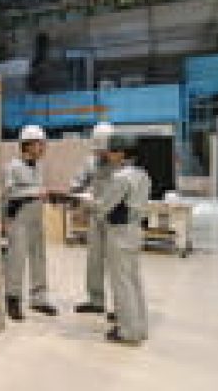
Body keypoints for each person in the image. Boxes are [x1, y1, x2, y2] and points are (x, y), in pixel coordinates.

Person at [82, 134, 151, 345]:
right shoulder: (142, 175)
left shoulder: (121, 178)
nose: (108, 155)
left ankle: (127, 331)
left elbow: (104, 206)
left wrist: (84, 201)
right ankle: (139, 326)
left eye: (111, 151)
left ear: (121, 153)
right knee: (133, 280)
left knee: (121, 283)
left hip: (119, 232)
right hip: (134, 231)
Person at [4, 125, 59, 321]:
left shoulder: (38, 166)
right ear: (27, 145)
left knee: (39, 258)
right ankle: (12, 299)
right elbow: (8, 193)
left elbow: (37, 189)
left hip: (36, 218)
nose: (43, 148)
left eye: (43, 144)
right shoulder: (13, 167)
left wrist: (49, 196)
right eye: (40, 144)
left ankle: (39, 298)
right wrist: (35, 192)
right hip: (19, 220)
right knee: (16, 261)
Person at [73, 122, 116, 317]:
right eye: (98, 151)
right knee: (94, 261)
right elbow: (77, 183)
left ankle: (119, 305)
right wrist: (78, 194)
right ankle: (96, 301)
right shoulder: (91, 161)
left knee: (117, 264)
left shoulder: (121, 164)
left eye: (104, 151)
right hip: (96, 218)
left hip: (117, 221)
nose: (101, 155)